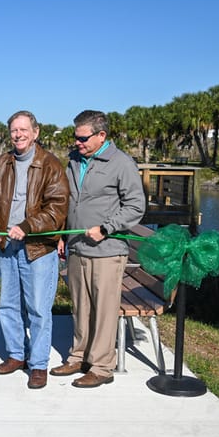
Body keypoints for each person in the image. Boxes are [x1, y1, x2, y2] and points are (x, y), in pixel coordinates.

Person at [52, 110, 145, 388]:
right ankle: (79, 356)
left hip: (107, 250)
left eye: (83, 138)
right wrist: (60, 235)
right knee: (80, 308)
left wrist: (106, 228)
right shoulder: (74, 160)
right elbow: (69, 201)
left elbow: (136, 206)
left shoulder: (121, 163)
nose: (77, 142)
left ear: (101, 135)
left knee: (104, 310)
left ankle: (102, 366)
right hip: (77, 248)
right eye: (75, 137)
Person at [0, 111, 68, 389]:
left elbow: (57, 210)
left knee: (39, 309)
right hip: (7, 246)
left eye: (23, 130)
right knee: (7, 304)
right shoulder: (0, 164)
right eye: (14, 130)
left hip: (39, 248)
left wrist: (27, 226)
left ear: (36, 132)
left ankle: (38, 363)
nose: (18, 135)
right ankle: (16, 355)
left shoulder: (51, 165)